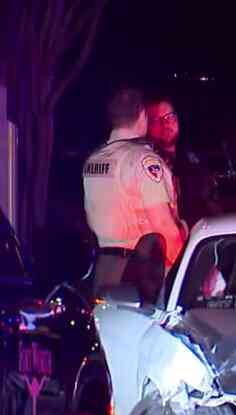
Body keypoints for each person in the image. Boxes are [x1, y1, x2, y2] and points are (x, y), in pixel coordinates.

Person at [83, 87, 188, 296]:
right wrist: (187, 272)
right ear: (142, 115)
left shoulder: (93, 160)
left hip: (103, 271)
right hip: (141, 276)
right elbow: (165, 227)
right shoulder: (142, 161)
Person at [145, 95, 222, 225]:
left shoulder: (193, 156)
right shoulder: (142, 162)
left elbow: (211, 202)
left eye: (170, 117)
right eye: (157, 120)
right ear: (146, 125)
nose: (166, 124)